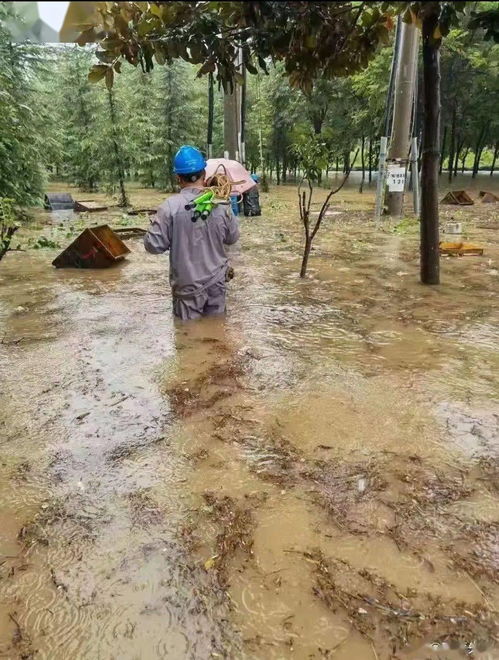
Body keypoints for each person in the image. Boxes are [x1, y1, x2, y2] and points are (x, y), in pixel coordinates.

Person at [144, 145, 240, 321]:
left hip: (187, 288)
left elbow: (153, 246)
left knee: (187, 337)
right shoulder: (221, 203)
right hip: (216, 284)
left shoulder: (169, 208)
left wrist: (155, 224)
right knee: (216, 334)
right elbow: (232, 238)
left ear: (178, 178)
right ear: (204, 174)